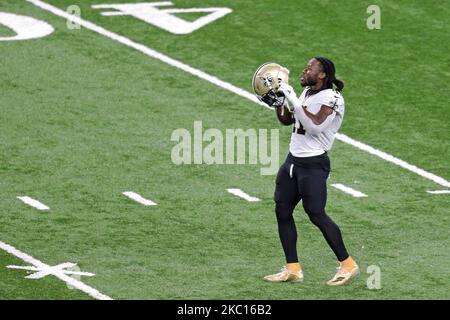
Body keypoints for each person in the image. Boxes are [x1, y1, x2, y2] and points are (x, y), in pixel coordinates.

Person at [263, 57, 359, 286]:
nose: (304, 72)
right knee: (282, 210)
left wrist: (292, 98)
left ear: (323, 74)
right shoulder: (306, 93)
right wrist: (278, 102)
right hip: (292, 161)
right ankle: (292, 268)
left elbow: (315, 126)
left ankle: (348, 264)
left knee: (316, 213)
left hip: (314, 165)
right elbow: (289, 120)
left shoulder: (333, 98)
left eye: (309, 69)